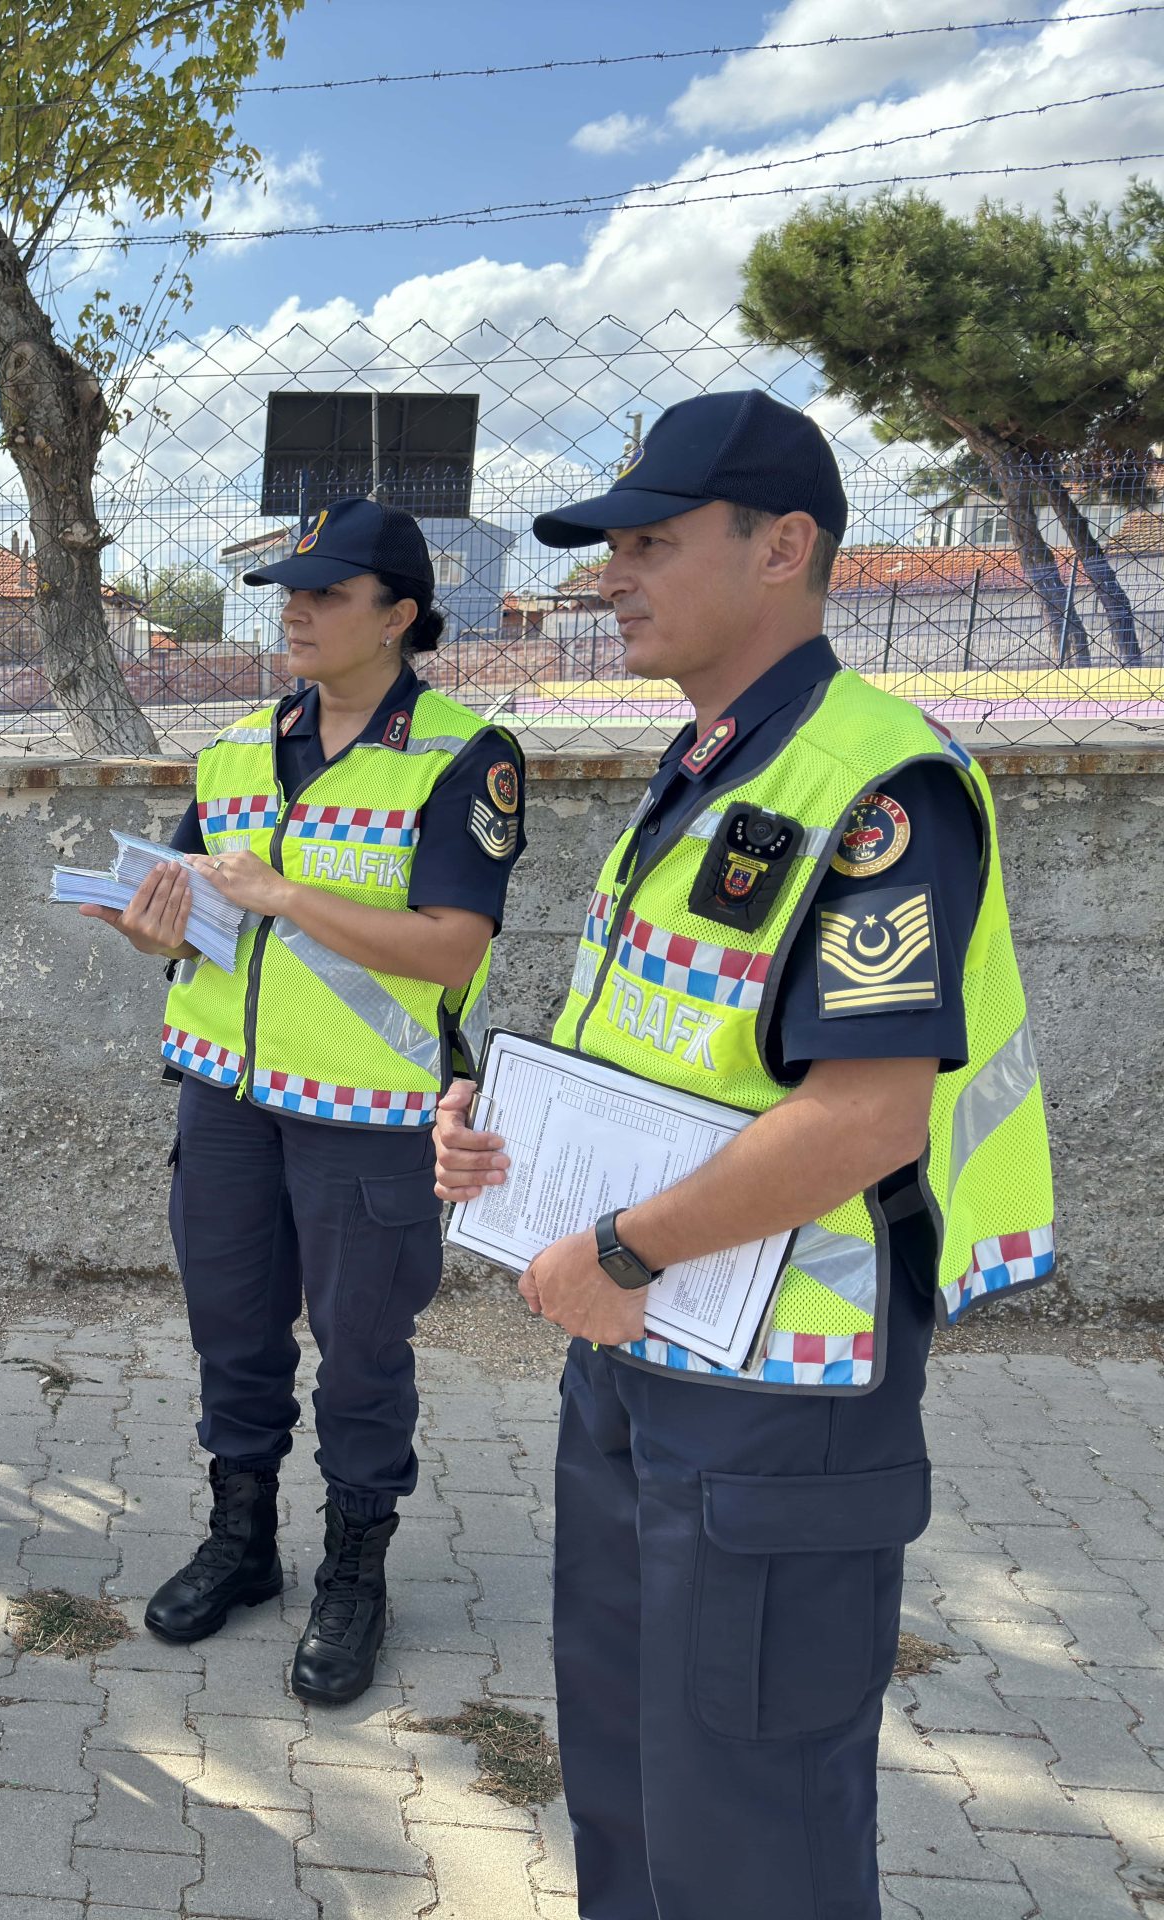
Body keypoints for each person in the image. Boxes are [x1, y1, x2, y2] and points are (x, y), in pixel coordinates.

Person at [431, 391, 1056, 1920]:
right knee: (635, 1793)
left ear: (783, 547)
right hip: (645, 1355)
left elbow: (868, 1115)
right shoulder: (707, 767)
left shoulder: (876, 786)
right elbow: (664, 1054)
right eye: (611, 544)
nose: (613, 574)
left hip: (784, 1402)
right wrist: (507, 1143)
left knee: (754, 1834)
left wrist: (628, 1248)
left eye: (652, 541)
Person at [85, 497, 523, 1707]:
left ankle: (353, 1572)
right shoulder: (233, 749)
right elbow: (197, 920)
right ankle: (243, 1544)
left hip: (372, 1118)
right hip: (224, 1098)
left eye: (329, 593)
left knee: (362, 1357)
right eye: (291, 590)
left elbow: (448, 948)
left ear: (399, 617)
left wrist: (282, 895)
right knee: (232, 1333)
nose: (299, 610)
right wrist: (148, 927)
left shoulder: (461, 754)